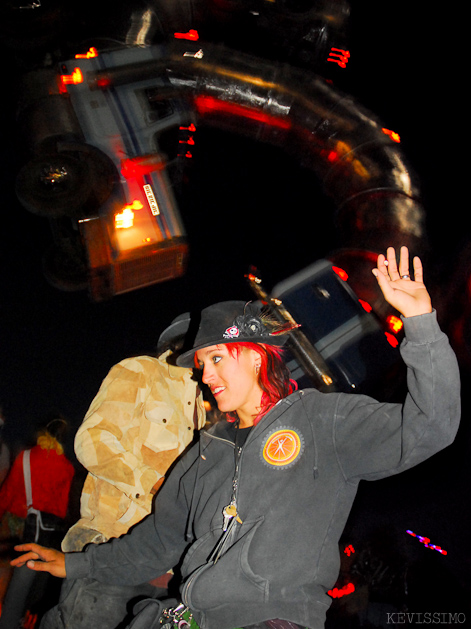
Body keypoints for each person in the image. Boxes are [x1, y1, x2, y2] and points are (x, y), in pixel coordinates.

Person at [11, 248, 461, 629]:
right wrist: (76, 563)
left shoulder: (323, 419)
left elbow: (430, 425)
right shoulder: (207, 450)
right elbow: (157, 540)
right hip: (186, 615)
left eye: (217, 359)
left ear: (254, 355)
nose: (206, 375)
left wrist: (421, 323)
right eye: (202, 364)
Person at [37, 327, 207, 628]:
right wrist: (154, 484)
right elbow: (92, 440)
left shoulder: (200, 408)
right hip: (109, 550)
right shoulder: (141, 370)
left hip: (163, 567)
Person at [0, 418, 75, 628]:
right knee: (28, 578)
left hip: (14, 524)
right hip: (40, 530)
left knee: (5, 573)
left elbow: (8, 492)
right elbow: (60, 508)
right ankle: (21, 619)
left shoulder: (25, 457)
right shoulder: (67, 468)